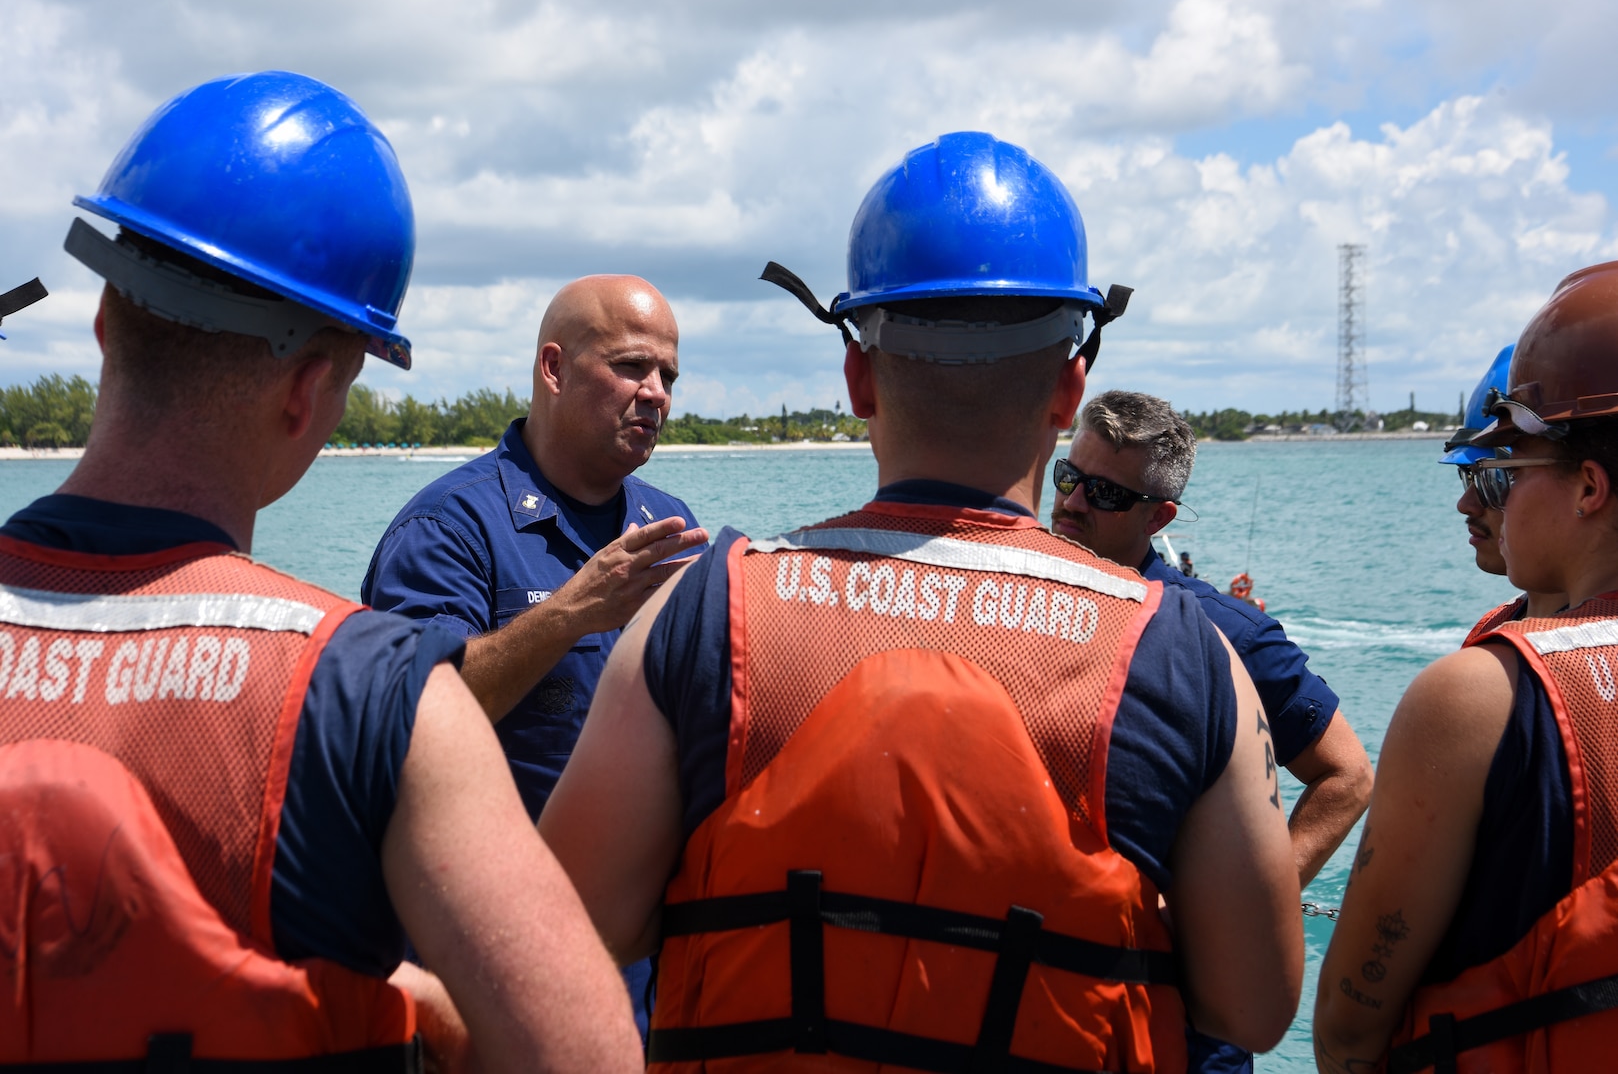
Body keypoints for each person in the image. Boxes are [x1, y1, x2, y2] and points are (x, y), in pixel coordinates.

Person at [538, 131, 1303, 1072]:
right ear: (1071, 389)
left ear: (858, 377)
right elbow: (1256, 1007)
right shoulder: (1184, 653)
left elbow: (573, 923)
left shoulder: (703, 612)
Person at [0, 72, 640, 1070]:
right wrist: (419, 1014)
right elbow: (587, 1059)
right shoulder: (371, 691)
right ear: (307, 391)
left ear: (104, 326)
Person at [362, 273, 708, 1033]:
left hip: (638, 976)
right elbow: (411, 726)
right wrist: (568, 616)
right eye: (630, 366)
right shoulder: (448, 529)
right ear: (553, 369)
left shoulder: (670, 525)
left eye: (668, 377)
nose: (655, 393)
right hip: (487, 972)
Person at [1316, 261, 1618, 1072]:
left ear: (1590, 486)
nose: (1475, 504)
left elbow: (1347, 1029)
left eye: (1504, 470)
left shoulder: (1481, 698)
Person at [1051, 390, 1372, 1074]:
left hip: (1186, 1031)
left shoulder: (1223, 631)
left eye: (1103, 493)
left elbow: (1347, 774)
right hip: (1052, 1000)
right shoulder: (1031, 606)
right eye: (1067, 477)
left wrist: (1233, 917)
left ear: (1158, 517)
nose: (1072, 504)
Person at [1443, 344, 1566, 639]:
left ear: (1589, 486)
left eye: (1497, 478)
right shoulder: (1497, 627)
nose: (1465, 504)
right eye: (1469, 477)